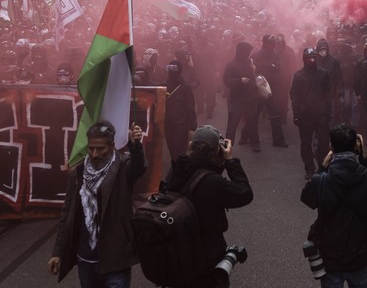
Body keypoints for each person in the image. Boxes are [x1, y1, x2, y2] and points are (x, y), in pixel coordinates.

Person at [48, 120, 147, 287]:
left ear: (112, 146)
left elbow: (139, 166)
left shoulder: (122, 168)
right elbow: (67, 214)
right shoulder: (79, 174)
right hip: (86, 260)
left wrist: (135, 146)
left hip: (115, 261)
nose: (94, 154)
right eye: (91, 148)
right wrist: (58, 252)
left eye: (100, 148)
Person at [165, 125, 253, 288]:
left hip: (177, 254)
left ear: (191, 147)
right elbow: (245, 193)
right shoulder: (211, 181)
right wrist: (230, 161)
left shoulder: (177, 169)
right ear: (216, 152)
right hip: (205, 259)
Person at [301, 124, 367, 288]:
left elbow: (307, 198)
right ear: (355, 146)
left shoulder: (321, 180)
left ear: (331, 146)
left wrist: (323, 166)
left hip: (330, 255)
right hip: (359, 255)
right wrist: (364, 157)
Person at [290, 48, 331, 179]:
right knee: (306, 143)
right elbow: (294, 95)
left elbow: (327, 94)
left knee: (324, 143)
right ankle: (309, 168)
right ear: (304, 59)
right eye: (309, 57)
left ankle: (322, 166)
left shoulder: (323, 73)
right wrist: (296, 114)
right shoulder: (298, 75)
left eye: (314, 57)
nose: (312, 59)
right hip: (305, 115)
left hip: (321, 114)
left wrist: (328, 112)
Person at [223, 41, 260, 152]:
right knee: (232, 125)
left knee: (252, 122)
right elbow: (226, 80)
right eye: (247, 51)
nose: (248, 54)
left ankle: (255, 143)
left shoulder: (251, 62)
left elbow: (255, 77)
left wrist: (255, 71)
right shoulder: (231, 64)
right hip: (237, 99)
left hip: (250, 97)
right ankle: (227, 147)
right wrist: (240, 80)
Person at [165, 60, 198, 160]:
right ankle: (176, 169)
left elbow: (190, 106)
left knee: (179, 150)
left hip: (181, 123)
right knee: (171, 148)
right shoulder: (164, 85)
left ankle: (178, 171)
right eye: (170, 68)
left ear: (179, 70)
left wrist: (192, 125)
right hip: (167, 123)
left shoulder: (185, 86)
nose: (172, 71)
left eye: (174, 68)